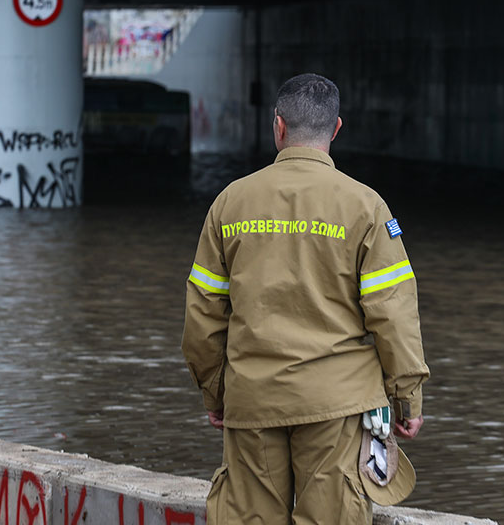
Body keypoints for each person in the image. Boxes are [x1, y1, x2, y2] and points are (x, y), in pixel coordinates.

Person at [182, 73, 429, 524]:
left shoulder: (229, 203)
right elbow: (393, 313)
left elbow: (203, 314)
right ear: (336, 129)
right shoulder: (366, 207)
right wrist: (406, 398)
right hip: (336, 405)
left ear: (277, 127)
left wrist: (216, 393)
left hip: (252, 401)